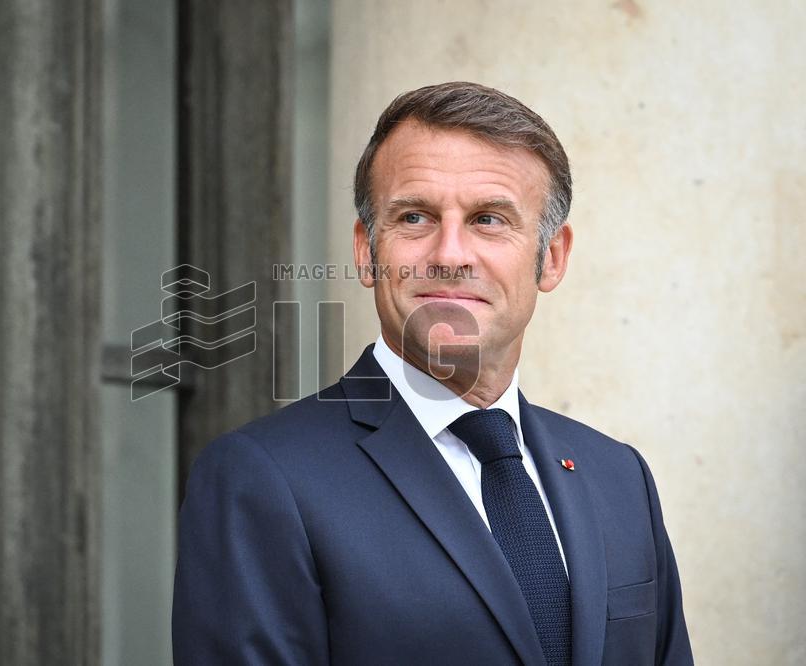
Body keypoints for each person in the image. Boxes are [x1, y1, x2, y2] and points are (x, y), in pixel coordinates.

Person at [172, 81, 693, 665]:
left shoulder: (619, 477)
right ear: (368, 251)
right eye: (415, 216)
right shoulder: (261, 480)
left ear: (551, 257)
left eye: (489, 219)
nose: (450, 253)